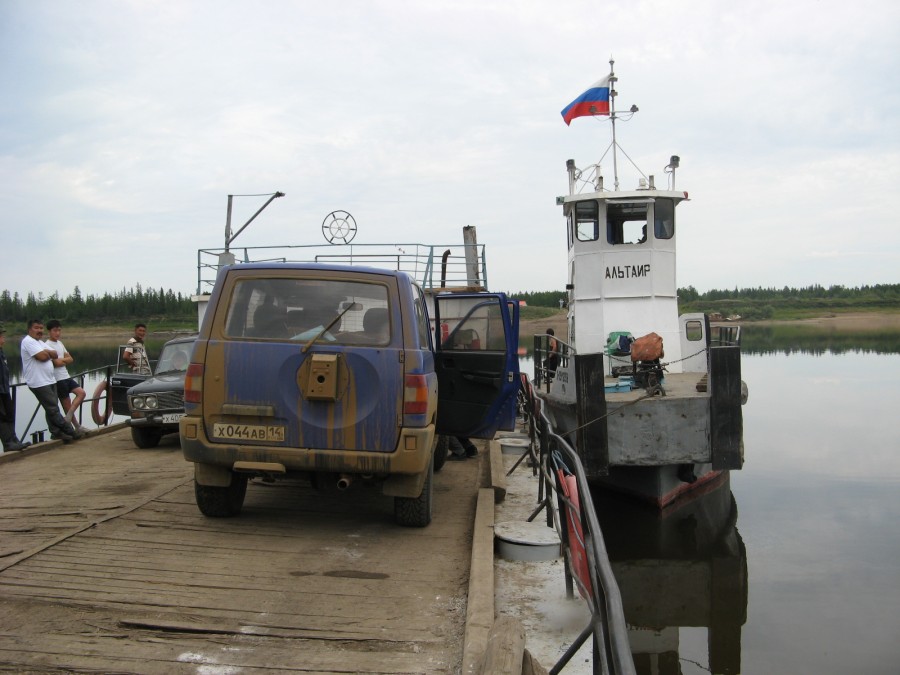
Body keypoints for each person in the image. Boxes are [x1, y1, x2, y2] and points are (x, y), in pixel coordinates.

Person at [20, 319, 82, 443]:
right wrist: (47, 354)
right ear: (29, 330)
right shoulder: (28, 341)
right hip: (38, 382)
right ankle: (70, 430)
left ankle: (56, 432)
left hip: (49, 380)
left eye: (41, 328)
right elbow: (43, 357)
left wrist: (46, 353)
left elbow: (54, 354)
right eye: (36, 328)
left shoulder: (39, 342)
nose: (39, 331)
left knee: (51, 409)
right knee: (53, 408)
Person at [45, 319, 88, 433]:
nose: (58, 333)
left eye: (59, 330)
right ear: (49, 331)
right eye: (55, 330)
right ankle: (76, 427)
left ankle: (69, 419)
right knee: (67, 404)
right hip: (58, 379)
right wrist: (64, 360)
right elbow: (57, 363)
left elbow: (71, 359)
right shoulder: (47, 345)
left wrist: (62, 360)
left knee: (81, 393)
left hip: (66, 376)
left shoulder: (60, 343)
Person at [0, 323, 32, 452]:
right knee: (1, 416)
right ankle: (8, 443)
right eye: (1, 336)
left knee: (9, 414)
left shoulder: (1, 353)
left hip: (4, 389)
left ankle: (14, 440)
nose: (3, 339)